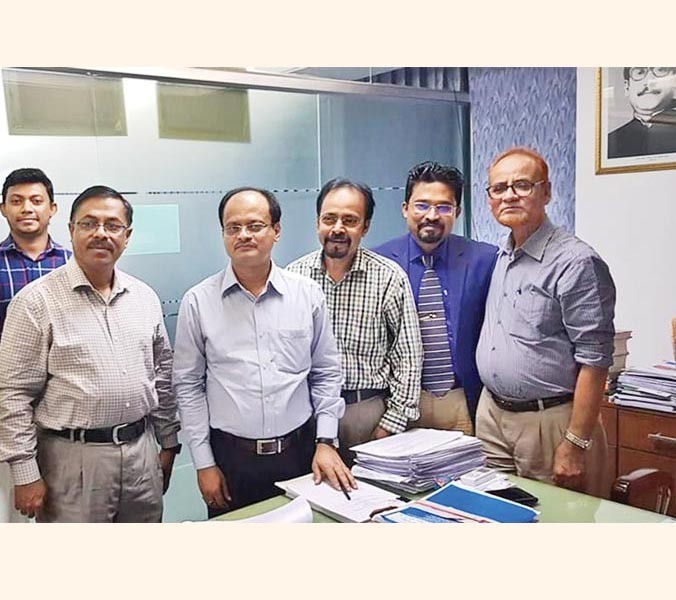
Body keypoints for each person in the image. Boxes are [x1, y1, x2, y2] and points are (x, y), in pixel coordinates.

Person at [0, 185, 180, 522]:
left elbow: (162, 377)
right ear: (71, 229)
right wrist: (25, 472)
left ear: (127, 235)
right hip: (72, 461)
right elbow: (10, 394)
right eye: (89, 223)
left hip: (141, 455)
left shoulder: (145, 297)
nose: (100, 234)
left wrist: (168, 443)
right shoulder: (36, 302)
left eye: (112, 225)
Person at [173, 186, 354, 518]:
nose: (244, 235)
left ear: (276, 231)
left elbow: (325, 372)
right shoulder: (198, 302)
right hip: (231, 461)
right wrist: (203, 463)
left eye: (255, 226)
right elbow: (188, 386)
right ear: (224, 234)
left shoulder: (307, 295)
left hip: (299, 453)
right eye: (233, 227)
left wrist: (326, 441)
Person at [476, 147, 615, 496]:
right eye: (499, 188)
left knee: (560, 534)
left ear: (547, 192)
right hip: (492, 417)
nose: (509, 195)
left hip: (550, 422)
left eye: (522, 184)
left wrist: (575, 443)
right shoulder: (503, 254)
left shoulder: (575, 263)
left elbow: (595, 362)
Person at [0, 167, 69, 523]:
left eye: (36, 201)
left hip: (71, 410)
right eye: (16, 201)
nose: (27, 208)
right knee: (16, 512)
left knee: (71, 506)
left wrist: (64, 391)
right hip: (13, 411)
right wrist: (26, 390)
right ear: (3, 208)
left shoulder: (74, 263)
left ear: (52, 208)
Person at [286, 178, 422, 465]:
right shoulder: (293, 278)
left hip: (367, 414)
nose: (338, 228)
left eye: (350, 220)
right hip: (308, 415)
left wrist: (390, 425)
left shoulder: (388, 277)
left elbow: (408, 357)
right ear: (317, 223)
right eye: (329, 219)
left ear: (365, 226)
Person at [374, 162, 497, 434]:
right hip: (400, 403)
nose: (432, 215)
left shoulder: (486, 260)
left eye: (443, 207)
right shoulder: (379, 263)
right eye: (422, 205)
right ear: (405, 208)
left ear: (457, 212)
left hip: (461, 401)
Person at [608, 67, 676, 159]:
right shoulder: (610, 143)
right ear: (627, 87)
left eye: (660, 70)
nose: (649, 81)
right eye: (639, 73)